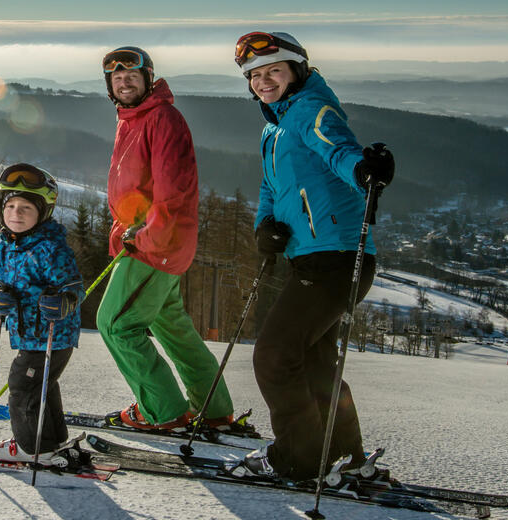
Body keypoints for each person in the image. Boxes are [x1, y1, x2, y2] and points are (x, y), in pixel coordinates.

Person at [230, 31, 396, 481]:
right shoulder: (274, 126)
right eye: (255, 75)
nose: (264, 81)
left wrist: (363, 169)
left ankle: (299, 458)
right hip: (313, 258)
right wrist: (266, 223)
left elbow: (336, 147)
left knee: (274, 355)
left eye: (273, 71)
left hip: (337, 258)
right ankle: (344, 455)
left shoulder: (310, 110)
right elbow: (271, 184)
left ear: (297, 70)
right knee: (315, 360)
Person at [95, 46, 237, 431]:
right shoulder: (132, 119)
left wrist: (143, 236)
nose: (124, 83)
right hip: (151, 241)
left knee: (115, 325)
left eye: (132, 76)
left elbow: (173, 191)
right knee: (169, 326)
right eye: (117, 78)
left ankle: (163, 410)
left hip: (153, 245)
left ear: (148, 78)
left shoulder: (162, 118)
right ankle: (213, 408)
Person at [0, 163, 86, 466]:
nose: (16, 213)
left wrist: (63, 301)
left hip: (53, 335)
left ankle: (31, 448)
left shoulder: (51, 248)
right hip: (28, 336)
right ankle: (52, 443)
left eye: (26, 207)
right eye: (10, 205)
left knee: (22, 386)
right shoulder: (4, 245)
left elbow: (74, 287)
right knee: (41, 385)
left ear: (43, 212)